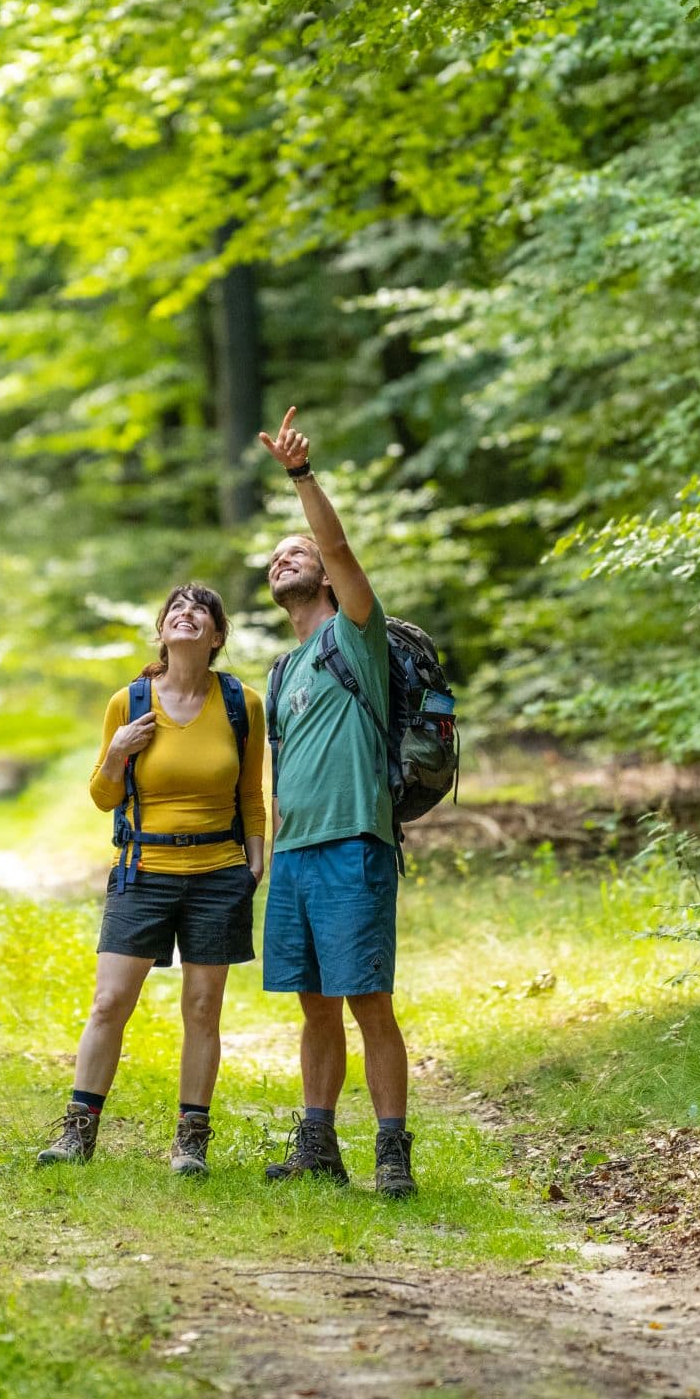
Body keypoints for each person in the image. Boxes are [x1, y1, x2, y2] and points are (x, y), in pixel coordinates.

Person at [35, 581, 269, 1176]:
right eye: (176, 610)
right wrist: (116, 751)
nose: (186, 616)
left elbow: (249, 794)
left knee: (202, 1008)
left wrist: (256, 856)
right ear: (162, 631)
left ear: (215, 637)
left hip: (218, 873)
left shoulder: (244, 703)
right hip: (142, 869)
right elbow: (101, 795)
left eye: (201, 612)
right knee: (110, 1000)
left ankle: (190, 1142)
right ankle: (77, 1133)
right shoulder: (130, 701)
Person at [254, 406, 415, 1198]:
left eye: (299, 552)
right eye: (277, 557)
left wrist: (300, 478)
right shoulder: (283, 672)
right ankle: (318, 1145)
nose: (287, 559)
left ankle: (392, 1152)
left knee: (367, 1002)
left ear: (322, 573)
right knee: (314, 1008)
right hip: (295, 857)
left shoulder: (357, 634)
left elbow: (342, 546)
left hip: (356, 842)